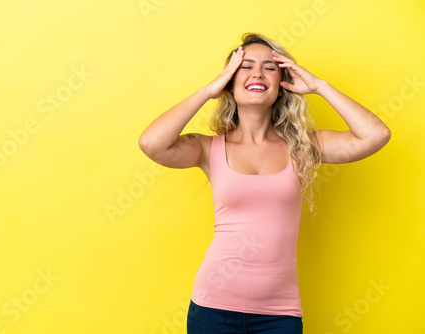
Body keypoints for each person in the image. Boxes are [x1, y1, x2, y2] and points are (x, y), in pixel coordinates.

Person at [138, 32, 391, 334]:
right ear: (230, 81)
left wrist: (320, 87)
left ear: (281, 84)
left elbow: (376, 135)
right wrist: (208, 90)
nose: (258, 73)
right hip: (213, 309)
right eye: (245, 66)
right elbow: (152, 143)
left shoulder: (302, 147)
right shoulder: (208, 148)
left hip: (279, 315)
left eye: (270, 67)